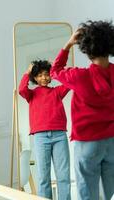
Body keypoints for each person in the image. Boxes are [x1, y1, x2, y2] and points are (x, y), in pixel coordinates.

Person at [50, 20, 114, 200]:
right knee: (110, 194)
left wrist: (68, 44)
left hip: (87, 142)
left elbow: (55, 70)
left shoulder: (79, 76)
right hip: (112, 141)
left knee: (87, 194)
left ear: (86, 49)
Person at [19, 60, 71, 200]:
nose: (44, 78)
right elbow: (21, 90)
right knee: (43, 177)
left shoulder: (57, 92)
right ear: (35, 78)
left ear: (50, 76)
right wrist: (27, 72)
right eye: (40, 75)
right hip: (41, 137)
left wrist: (55, 70)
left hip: (59, 135)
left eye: (47, 74)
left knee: (63, 176)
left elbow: (69, 82)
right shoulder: (32, 94)